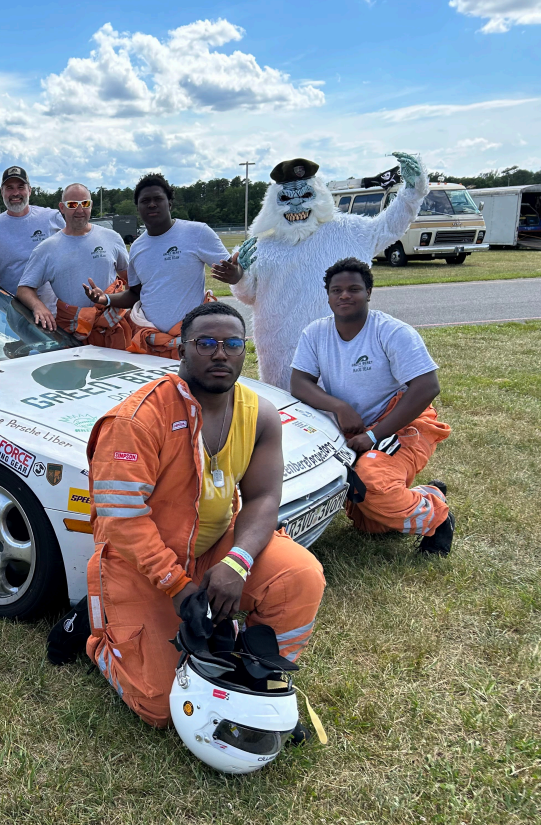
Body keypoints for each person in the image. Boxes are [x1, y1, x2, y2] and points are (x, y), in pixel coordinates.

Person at [85, 302, 326, 728]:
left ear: (244, 351)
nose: (220, 354)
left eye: (233, 344)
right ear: (181, 350)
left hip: (214, 549)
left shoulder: (260, 413)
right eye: (206, 343)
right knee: (161, 708)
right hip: (139, 565)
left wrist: (238, 561)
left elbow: (264, 498)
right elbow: (122, 519)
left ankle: (258, 674)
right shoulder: (138, 419)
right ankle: (98, 638)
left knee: (300, 575)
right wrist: (177, 586)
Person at [215, 152, 428, 390]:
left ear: (320, 196)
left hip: (339, 349)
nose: (297, 205)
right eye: (286, 198)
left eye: (306, 195)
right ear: (273, 204)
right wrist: (238, 278)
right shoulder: (262, 245)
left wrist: (413, 190)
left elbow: (389, 226)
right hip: (280, 354)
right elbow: (248, 295)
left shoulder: (348, 230)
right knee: (288, 416)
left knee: (342, 409)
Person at [290, 257, 454, 554]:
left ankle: (439, 518)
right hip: (356, 428)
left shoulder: (391, 331)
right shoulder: (315, 333)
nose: (344, 295)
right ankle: (426, 494)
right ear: (327, 295)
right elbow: (299, 383)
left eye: (354, 288)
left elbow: (427, 386)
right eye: (336, 290)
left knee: (370, 483)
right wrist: (339, 407)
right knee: (371, 522)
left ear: (369, 292)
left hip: (403, 425)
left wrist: (374, 435)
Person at [84, 173, 230, 357]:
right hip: (150, 343)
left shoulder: (197, 233)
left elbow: (232, 270)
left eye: (158, 199)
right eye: (145, 201)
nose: (152, 204)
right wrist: (106, 299)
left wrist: (235, 273)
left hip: (190, 341)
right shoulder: (137, 247)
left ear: (169, 203)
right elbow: (136, 293)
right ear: (138, 208)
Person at [17, 183, 131, 347]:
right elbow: (24, 288)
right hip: (72, 335)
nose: (79, 210)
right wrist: (38, 307)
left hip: (112, 329)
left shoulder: (111, 238)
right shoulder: (47, 249)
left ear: (91, 206)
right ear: (62, 208)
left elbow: (130, 281)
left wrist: (115, 302)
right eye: (72, 205)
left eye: (84, 204)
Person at [0, 166, 64, 310]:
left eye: (21, 187)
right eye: (9, 187)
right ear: (2, 192)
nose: (15, 193)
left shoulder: (52, 218)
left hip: (56, 314)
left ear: (29, 190)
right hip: (14, 314)